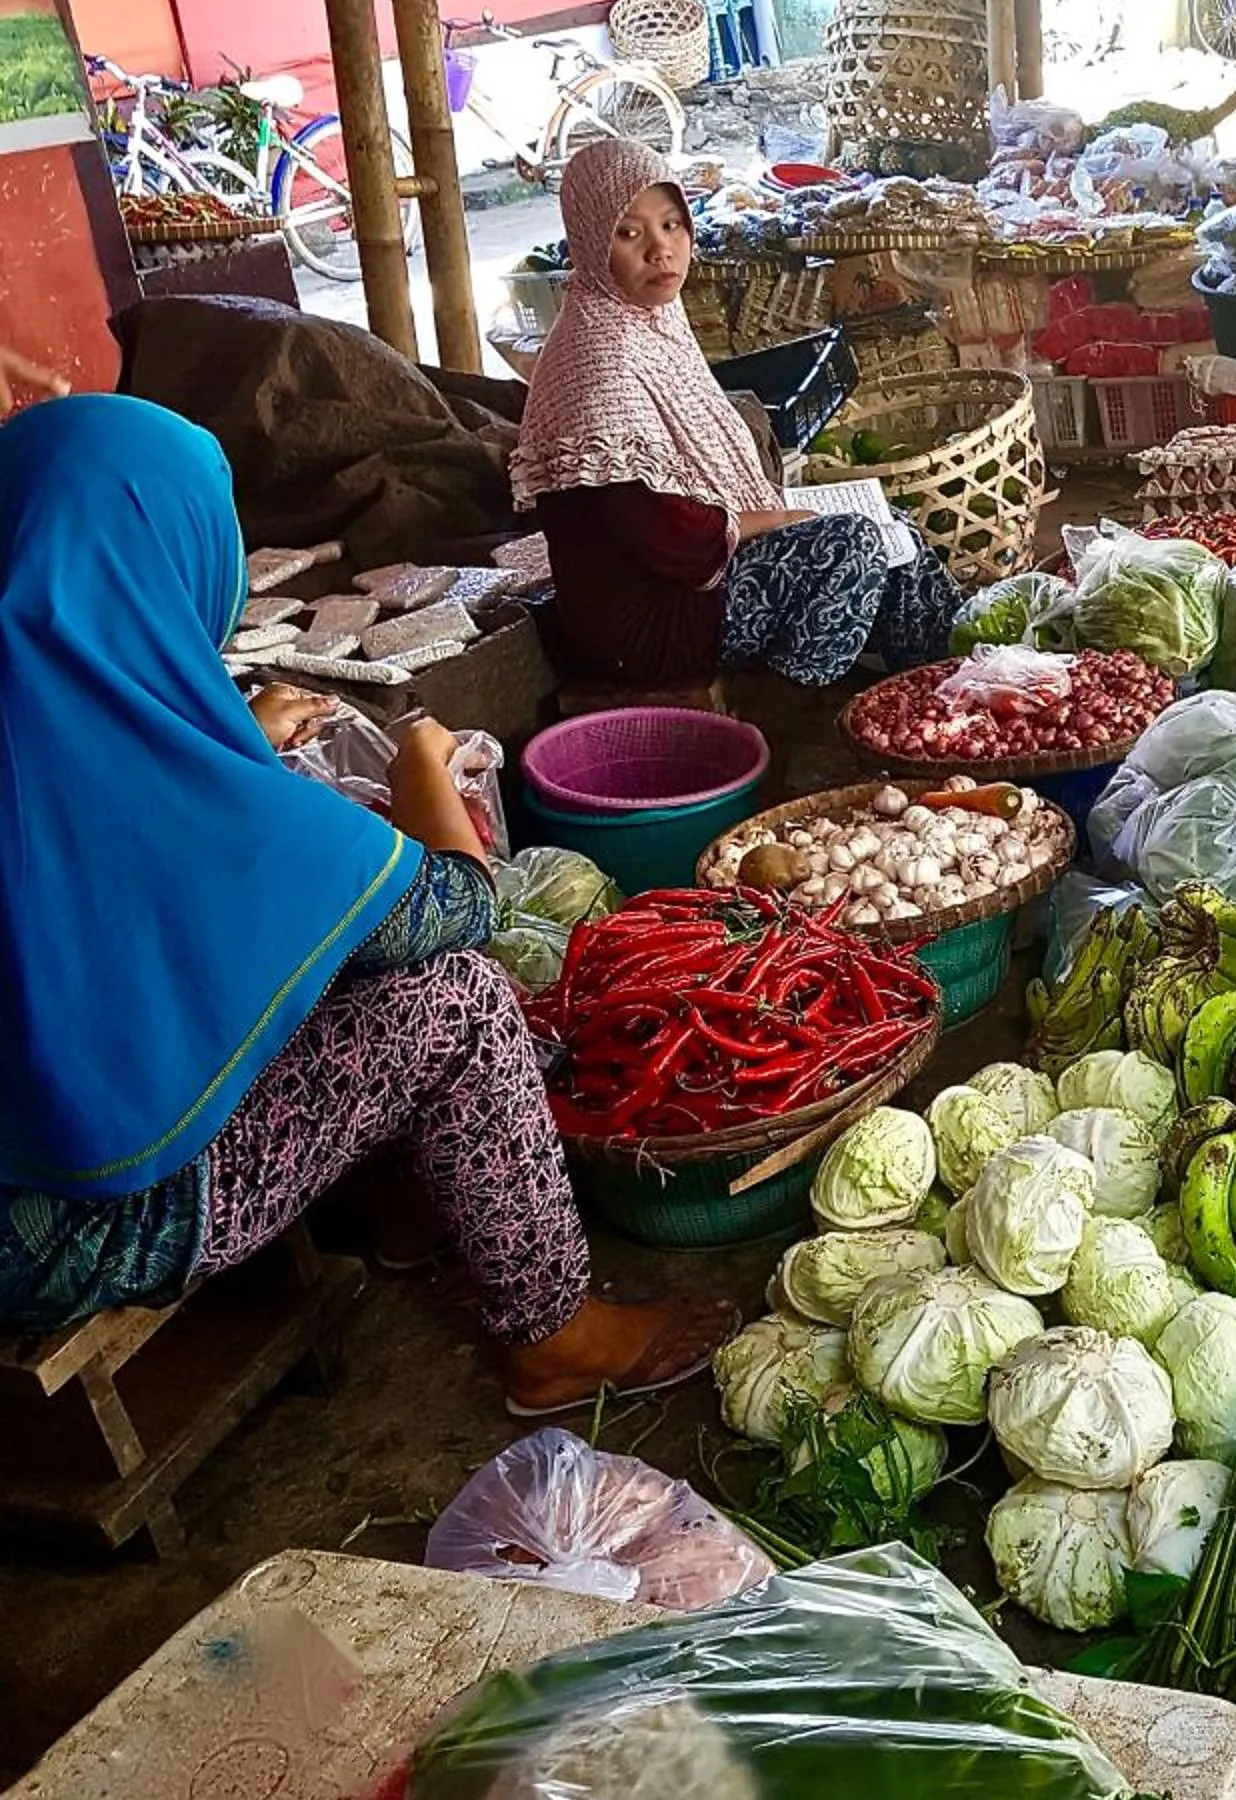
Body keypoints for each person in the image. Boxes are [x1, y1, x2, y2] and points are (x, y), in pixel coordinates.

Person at [0, 394, 730, 1418]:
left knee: (303, 957)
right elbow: (452, 910)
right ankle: (557, 1334)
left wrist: (238, 741)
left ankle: (406, 1205)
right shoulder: (181, 792)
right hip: (74, 1229)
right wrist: (425, 764)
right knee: (456, 998)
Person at [517, 136, 962, 690]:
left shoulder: (650, 321)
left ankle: (946, 688)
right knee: (849, 544)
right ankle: (792, 710)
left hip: (687, 579)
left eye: (672, 224)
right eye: (628, 233)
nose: (661, 249)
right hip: (651, 621)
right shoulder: (595, 359)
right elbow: (667, 539)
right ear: (588, 242)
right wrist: (778, 519)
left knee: (894, 531)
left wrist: (782, 515)